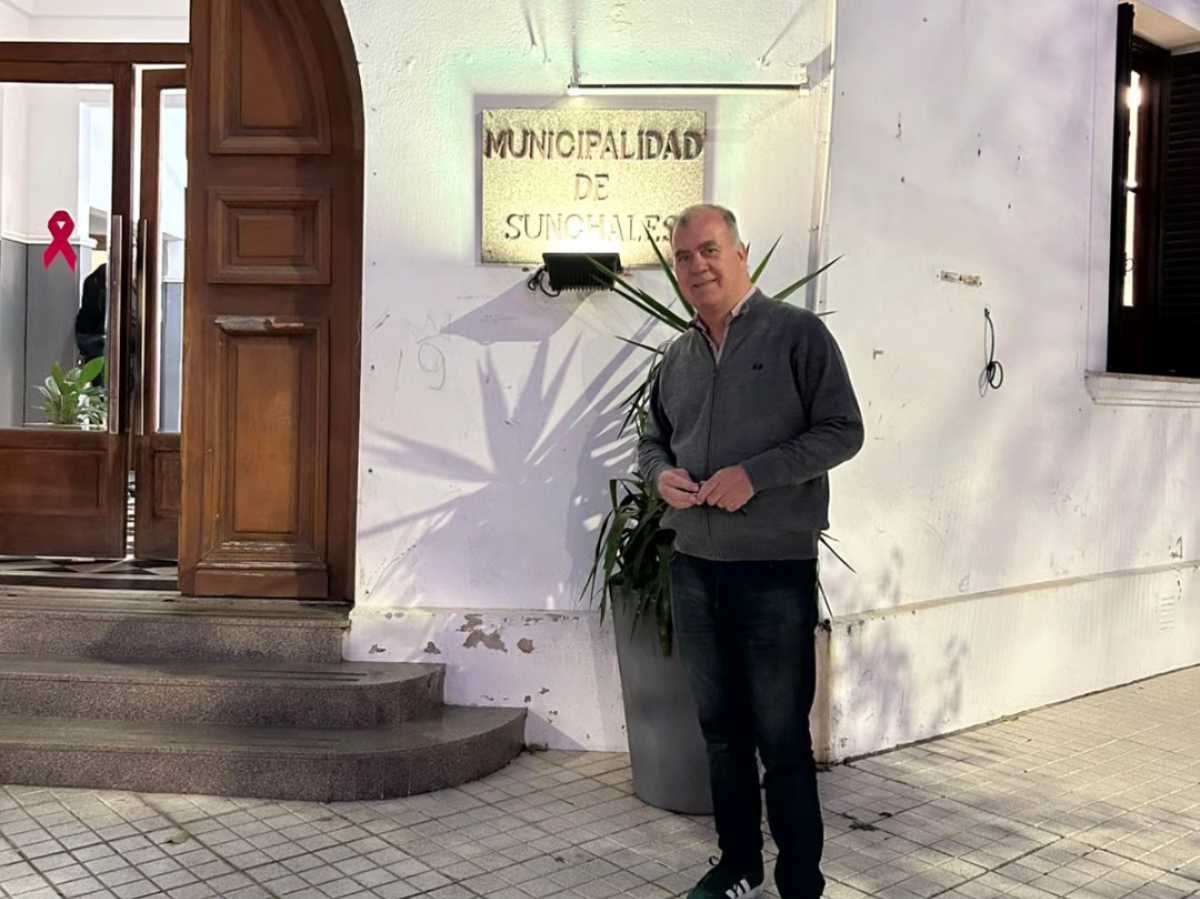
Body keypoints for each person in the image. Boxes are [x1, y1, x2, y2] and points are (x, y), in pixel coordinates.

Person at [638, 205, 864, 899]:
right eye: (683, 257)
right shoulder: (676, 357)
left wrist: (755, 475)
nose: (696, 266)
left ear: (739, 253)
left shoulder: (798, 334)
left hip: (773, 571)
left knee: (781, 737)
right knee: (721, 731)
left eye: (709, 249)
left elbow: (843, 429)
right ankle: (739, 864)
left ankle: (800, 880)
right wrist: (660, 477)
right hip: (694, 567)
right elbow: (653, 441)